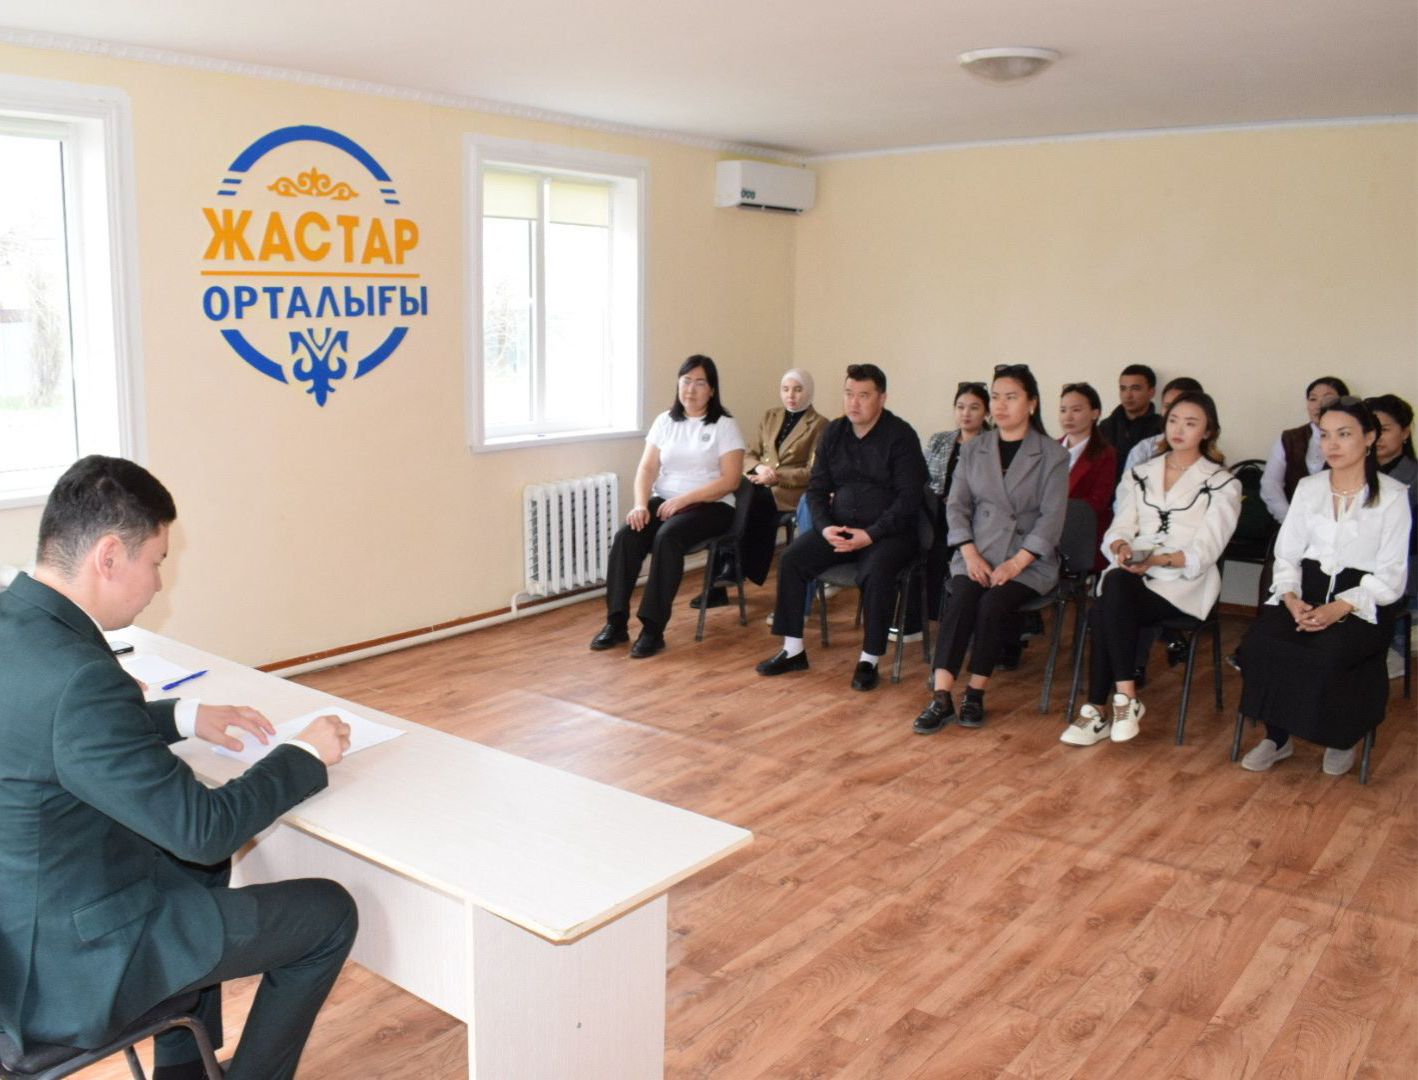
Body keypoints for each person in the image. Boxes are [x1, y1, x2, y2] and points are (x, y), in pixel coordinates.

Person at [0, 456, 356, 1080]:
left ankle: (184, 1068)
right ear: (110, 556)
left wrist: (184, 717)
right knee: (327, 913)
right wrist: (302, 755)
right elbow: (205, 828)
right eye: (157, 561)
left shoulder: (18, 624)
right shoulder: (80, 678)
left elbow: (55, 732)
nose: (160, 583)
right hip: (69, 974)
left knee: (197, 869)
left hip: (23, 931)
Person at [1238, 397, 1411, 775]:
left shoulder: (1393, 496)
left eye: (1343, 434)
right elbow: (1286, 555)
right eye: (1325, 435)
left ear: (1369, 437)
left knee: (1328, 652)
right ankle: (1277, 737)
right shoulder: (1309, 488)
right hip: (1306, 591)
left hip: (1362, 602)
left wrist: (1340, 607)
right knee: (1260, 645)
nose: (1331, 444)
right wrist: (1290, 597)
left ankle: (1340, 736)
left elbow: (1392, 576)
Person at [1060, 393, 1240, 746]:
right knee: (1115, 587)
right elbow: (1120, 527)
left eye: (1191, 423)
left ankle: (1099, 710)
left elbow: (1206, 550)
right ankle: (1123, 700)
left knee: (1107, 604)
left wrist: (1156, 560)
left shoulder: (1223, 483)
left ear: (1207, 432)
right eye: (1173, 421)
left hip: (1184, 585)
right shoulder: (1140, 473)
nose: (1179, 429)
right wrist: (1121, 548)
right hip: (1132, 577)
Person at [913, 364, 1068, 732]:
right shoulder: (974, 449)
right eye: (996, 397)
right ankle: (941, 696)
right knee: (961, 598)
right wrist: (968, 553)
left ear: (1031, 403)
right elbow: (956, 506)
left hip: (1028, 560)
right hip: (977, 552)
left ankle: (976, 692)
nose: (1000, 405)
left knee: (993, 604)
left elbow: (1051, 519)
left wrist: (1015, 564)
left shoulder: (1052, 455)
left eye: (1011, 397)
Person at [755, 363, 928, 691]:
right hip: (840, 528)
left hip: (888, 533)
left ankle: (869, 659)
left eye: (864, 396)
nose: (854, 403)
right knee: (792, 559)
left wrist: (871, 535)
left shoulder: (901, 436)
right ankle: (793, 650)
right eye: (849, 394)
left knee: (876, 572)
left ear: (882, 398)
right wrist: (824, 528)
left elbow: (909, 500)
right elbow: (817, 489)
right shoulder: (834, 432)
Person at [591, 355, 745, 657]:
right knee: (626, 536)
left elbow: (730, 480)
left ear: (712, 390)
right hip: (665, 502)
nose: (691, 389)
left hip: (712, 506)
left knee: (667, 537)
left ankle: (653, 629)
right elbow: (647, 468)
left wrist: (685, 499)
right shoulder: (665, 421)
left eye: (700, 383)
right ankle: (616, 623)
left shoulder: (725, 426)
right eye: (686, 381)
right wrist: (640, 505)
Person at [696, 368, 825, 609]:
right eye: (785, 389)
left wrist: (775, 476)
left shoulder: (820, 424)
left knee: (753, 500)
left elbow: (813, 472)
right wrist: (759, 469)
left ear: (808, 391)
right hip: (759, 482)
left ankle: (734, 566)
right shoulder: (770, 416)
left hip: (788, 491)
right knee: (726, 500)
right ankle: (720, 581)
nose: (791, 395)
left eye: (798, 390)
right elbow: (749, 454)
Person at [919, 381, 991, 622]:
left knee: (943, 538)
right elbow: (922, 477)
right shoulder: (939, 440)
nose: (966, 413)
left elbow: (995, 490)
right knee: (924, 536)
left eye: (974, 408)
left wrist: (960, 500)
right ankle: (925, 613)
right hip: (937, 511)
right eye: (960, 407)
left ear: (986, 412)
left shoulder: (993, 445)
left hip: (974, 516)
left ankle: (951, 611)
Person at [1365, 393, 1416, 676]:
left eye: (1384, 429)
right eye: (1371, 429)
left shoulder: (1413, 478)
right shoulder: (1349, 471)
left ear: (1405, 432)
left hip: (1399, 567)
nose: (1377, 437)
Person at [1259, 375, 1350, 524]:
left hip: (1339, 523)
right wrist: (1289, 520)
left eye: (1328, 398)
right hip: (1291, 520)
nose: (1319, 405)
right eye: (1313, 399)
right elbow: (1271, 483)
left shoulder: (1352, 440)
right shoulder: (1289, 438)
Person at [1057, 381, 1117, 571]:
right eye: (1063, 410)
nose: (1068, 416)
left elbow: (1098, 502)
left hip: (1081, 533)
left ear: (1095, 413)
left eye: (1076, 410)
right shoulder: (1049, 449)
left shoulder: (1105, 454)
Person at [1119, 376, 1205, 475]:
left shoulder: (1211, 461)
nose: (1172, 413)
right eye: (1167, 406)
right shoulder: (1143, 450)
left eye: (1179, 406)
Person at [1098, 364, 1162, 479]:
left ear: (1151, 392)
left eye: (1135, 388)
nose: (1128, 395)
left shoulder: (1161, 428)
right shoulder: (1105, 427)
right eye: (1123, 389)